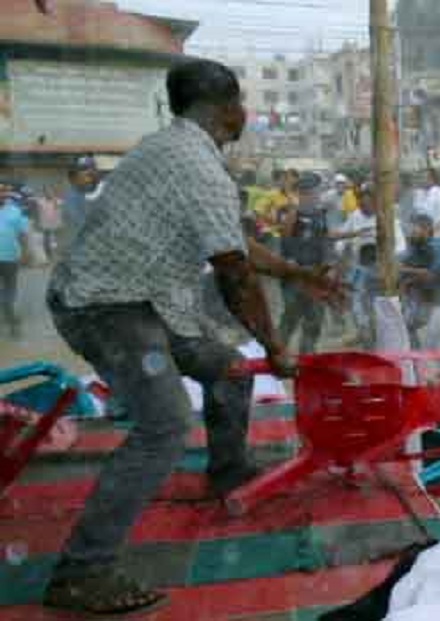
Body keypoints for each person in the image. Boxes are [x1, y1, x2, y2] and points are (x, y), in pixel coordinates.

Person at [42, 59, 339, 617]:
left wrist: (297, 275)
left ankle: (228, 470)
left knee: (227, 367)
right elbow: (233, 273)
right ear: (231, 109)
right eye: (242, 101)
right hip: (105, 305)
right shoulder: (198, 167)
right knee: (167, 424)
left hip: (145, 302)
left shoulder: (176, 150)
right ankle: (82, 572)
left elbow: (238, 247)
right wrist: (275, 348)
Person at [332, 184, 407, 347]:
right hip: (360, 266)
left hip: (381, 269)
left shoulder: (387, 218)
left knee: (381, 305)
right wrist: (344, 249)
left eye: (368, 202)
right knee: (356, 301)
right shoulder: (355, 216)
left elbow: (401, 246)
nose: (364, 206)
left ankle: (384, 337)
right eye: (361, 202)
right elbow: (340, 240)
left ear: (375, 202)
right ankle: (364, 332)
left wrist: (388, 258)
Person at [279, 172, 332, 354]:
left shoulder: (320, 215)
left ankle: (306, 357)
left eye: (317, 191)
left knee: (315, 319)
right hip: (295, 276)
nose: (317, 195)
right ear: (303, 193)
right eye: (313, 192)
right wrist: (292, 264)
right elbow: (285, 243)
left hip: (315, 274)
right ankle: (276, 355)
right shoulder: (289, 213)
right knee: (291, 317)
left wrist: (326, 266)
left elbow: (324, 242)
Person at [400, 214, 440, 348]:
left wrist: (404, 271)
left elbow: (429, 275)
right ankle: (416, 364)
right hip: (430, 301)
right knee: (407, 327)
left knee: (432, 341)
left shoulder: (438, 247)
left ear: (426, 229)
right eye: (410, 228)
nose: (410, 231)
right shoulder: (415, 247)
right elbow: (402, 265)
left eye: (414, 228)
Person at [58, 156, 103, 252]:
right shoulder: (71, 197)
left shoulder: (103, 191)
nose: (88, 174)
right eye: (83, 170)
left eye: (91, 169)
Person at [0, 192, 29, 337]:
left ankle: (10, 318)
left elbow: (23, 233)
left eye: (2, 192)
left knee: (10, 288)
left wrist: (25, 252)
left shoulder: (15, 211)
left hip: (10, 257)